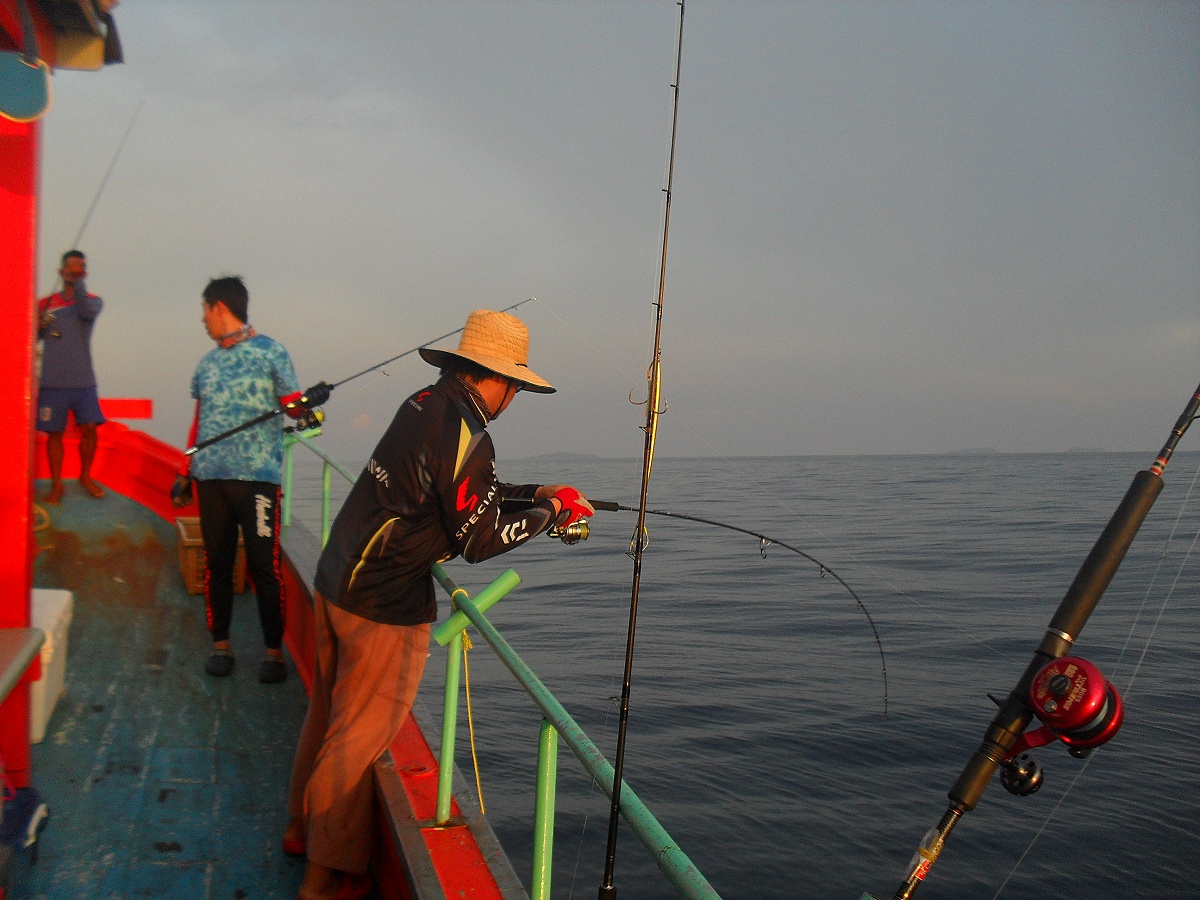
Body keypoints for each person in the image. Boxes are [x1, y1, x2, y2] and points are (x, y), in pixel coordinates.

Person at [284, 309, 594, 900]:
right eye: (516, 386)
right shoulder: (471, 434)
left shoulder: (425, 402)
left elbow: (464, 492)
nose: (515, 397)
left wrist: (538, 493)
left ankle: (299, 830)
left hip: (336, 578)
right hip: (381, 603)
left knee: (325, 713)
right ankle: (322, 880)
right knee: (356, 740)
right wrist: (553, 515)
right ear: (495, 379)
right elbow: (477, 539)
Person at [172, 276, 322, 684]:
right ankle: (220, 645)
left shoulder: (272, 351)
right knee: (217, 564)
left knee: (264, 566)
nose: (202, 320)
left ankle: (273, 652)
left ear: (219, 307)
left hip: (258, 480)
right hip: (211, 478)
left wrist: (310, 401)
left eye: (204, 310)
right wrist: (186, 470)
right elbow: (199, 422)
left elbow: (293, 409)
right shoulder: (206, 364)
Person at [37, 249, 106, 504]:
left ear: (84, 273)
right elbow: (31, 339)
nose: (75, 271)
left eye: (80, 268)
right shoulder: (44, 305)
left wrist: (79, 284)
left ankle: (85, 476)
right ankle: (56, 485)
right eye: (70, 267)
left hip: (84, 381)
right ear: (60, 271)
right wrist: (38, 325)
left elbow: (87, 313)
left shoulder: (92, 300)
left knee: (90, 428)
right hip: (52, 382)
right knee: (54, 433)